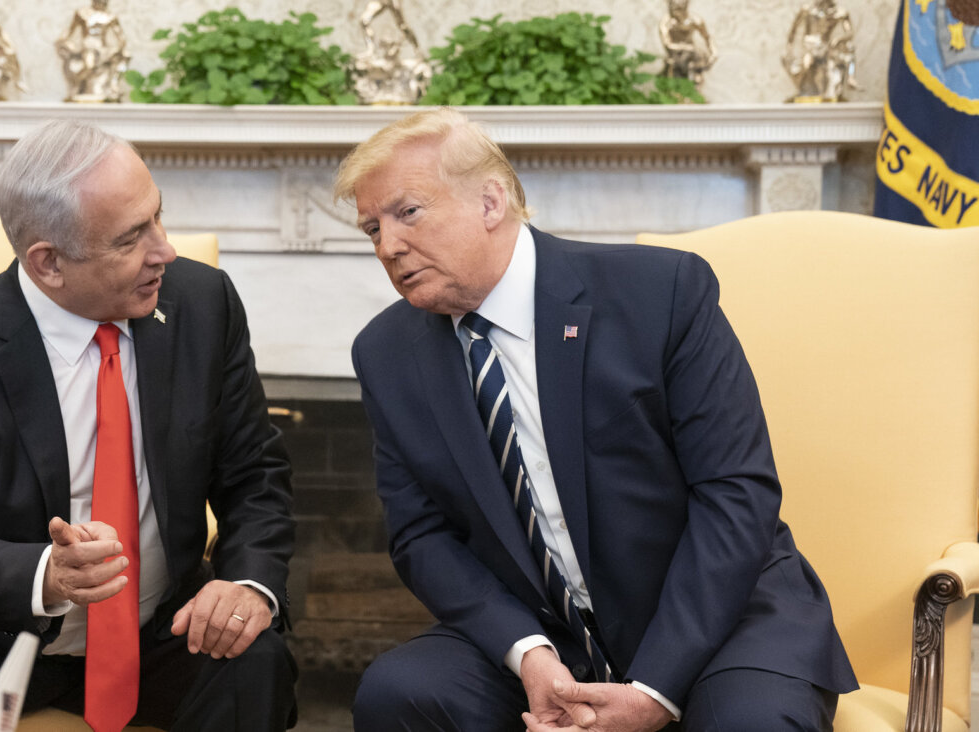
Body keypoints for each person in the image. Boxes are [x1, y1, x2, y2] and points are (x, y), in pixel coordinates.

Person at [334, 108, 857, 732]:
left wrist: (655, 689)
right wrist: (529, 652)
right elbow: (421, 536)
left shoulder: (659, 292)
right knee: (401, 694)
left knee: (752, 723)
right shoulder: (387, 352)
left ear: (491, 201)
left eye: (408, 212)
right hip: (548, 634)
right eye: (372, 228)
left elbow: (736, 493)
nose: (388, 246)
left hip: (720, 620)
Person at [0, 119, 298, 732]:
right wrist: (48, 573)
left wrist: (247, 584)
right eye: (132, 239)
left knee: (255, 663)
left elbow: (255, 474)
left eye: (158, 216)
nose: (165, 251)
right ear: (48, 263)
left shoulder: (203, 304)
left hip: (157, 627)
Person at [782, 0, 858, 101]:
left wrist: (838, 39)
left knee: (849, 49)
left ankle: (850, 79)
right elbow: (793, 31)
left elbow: (850, 33)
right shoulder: (807, 10)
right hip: (809, 47)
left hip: (826, 47)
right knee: (806, 66)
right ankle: (806, 92)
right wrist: (789, 49)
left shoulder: (840, 13)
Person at [56, 0, 129, 102]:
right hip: (89, 46)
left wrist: (118, 48)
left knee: (125, 56)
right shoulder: (82, 14)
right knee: (89, 65)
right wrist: (62, 42)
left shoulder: (110, 17)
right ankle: (76, 85)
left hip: (103, 48)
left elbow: (121, 37)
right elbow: (69, 31)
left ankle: (113, 86)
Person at [659, 0, 716, 85]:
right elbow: (667, 45)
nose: (674, 11)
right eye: (672, 7)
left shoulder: (694, 20)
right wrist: (687, 48)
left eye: (678, 8)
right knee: (673, 81)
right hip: (675, 57)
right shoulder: (666, 22)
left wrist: (713, 52)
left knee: (696, 78)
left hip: (692, 58)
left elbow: (708, 37)